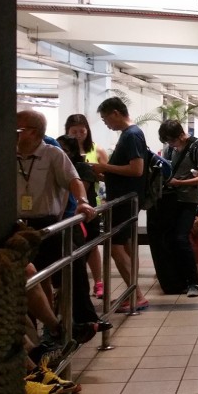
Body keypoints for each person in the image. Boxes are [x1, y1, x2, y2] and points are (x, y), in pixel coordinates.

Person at [16, 111, 104, 334]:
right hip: (18, 227)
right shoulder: (7, 154)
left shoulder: (53, 154)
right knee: (29, 278)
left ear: (33, 132)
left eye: (19, 130)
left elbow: (74, 180)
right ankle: (35, 332)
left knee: (72, 265)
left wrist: (82, 202)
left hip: (47, 225)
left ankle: (83, 319)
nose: (14, 133)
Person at [92, 97, 150, 312]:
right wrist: (105, 174)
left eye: (105, 118)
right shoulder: (130, 134)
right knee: (126, 246)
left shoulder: (131, 135)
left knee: (115, 247)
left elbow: (136, 169)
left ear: (116, 113)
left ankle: (137, 294)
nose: (106, 123)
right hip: (126, 199)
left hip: (125, 202)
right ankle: (133, 292)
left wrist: (104, 167)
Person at [149, 119, 198, 297]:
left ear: (181, 135)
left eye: (172, 140)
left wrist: (180, 183)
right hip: (170, 200)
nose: (170, 144)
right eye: (167, 141)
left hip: (189, 200)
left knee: (181, 238)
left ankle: (193, 282)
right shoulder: (169, 149)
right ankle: (177, 280)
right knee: (168, 239)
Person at [65, 113, 108, 299]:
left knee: (92, 244)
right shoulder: (61, 150)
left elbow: (107, 175)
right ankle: (73, 285)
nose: (78, 135)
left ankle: (98, 282)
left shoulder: (97, 150)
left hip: (90, 203)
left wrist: (94, 173)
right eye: (74, 132)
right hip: (68, 205)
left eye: (82, 131)